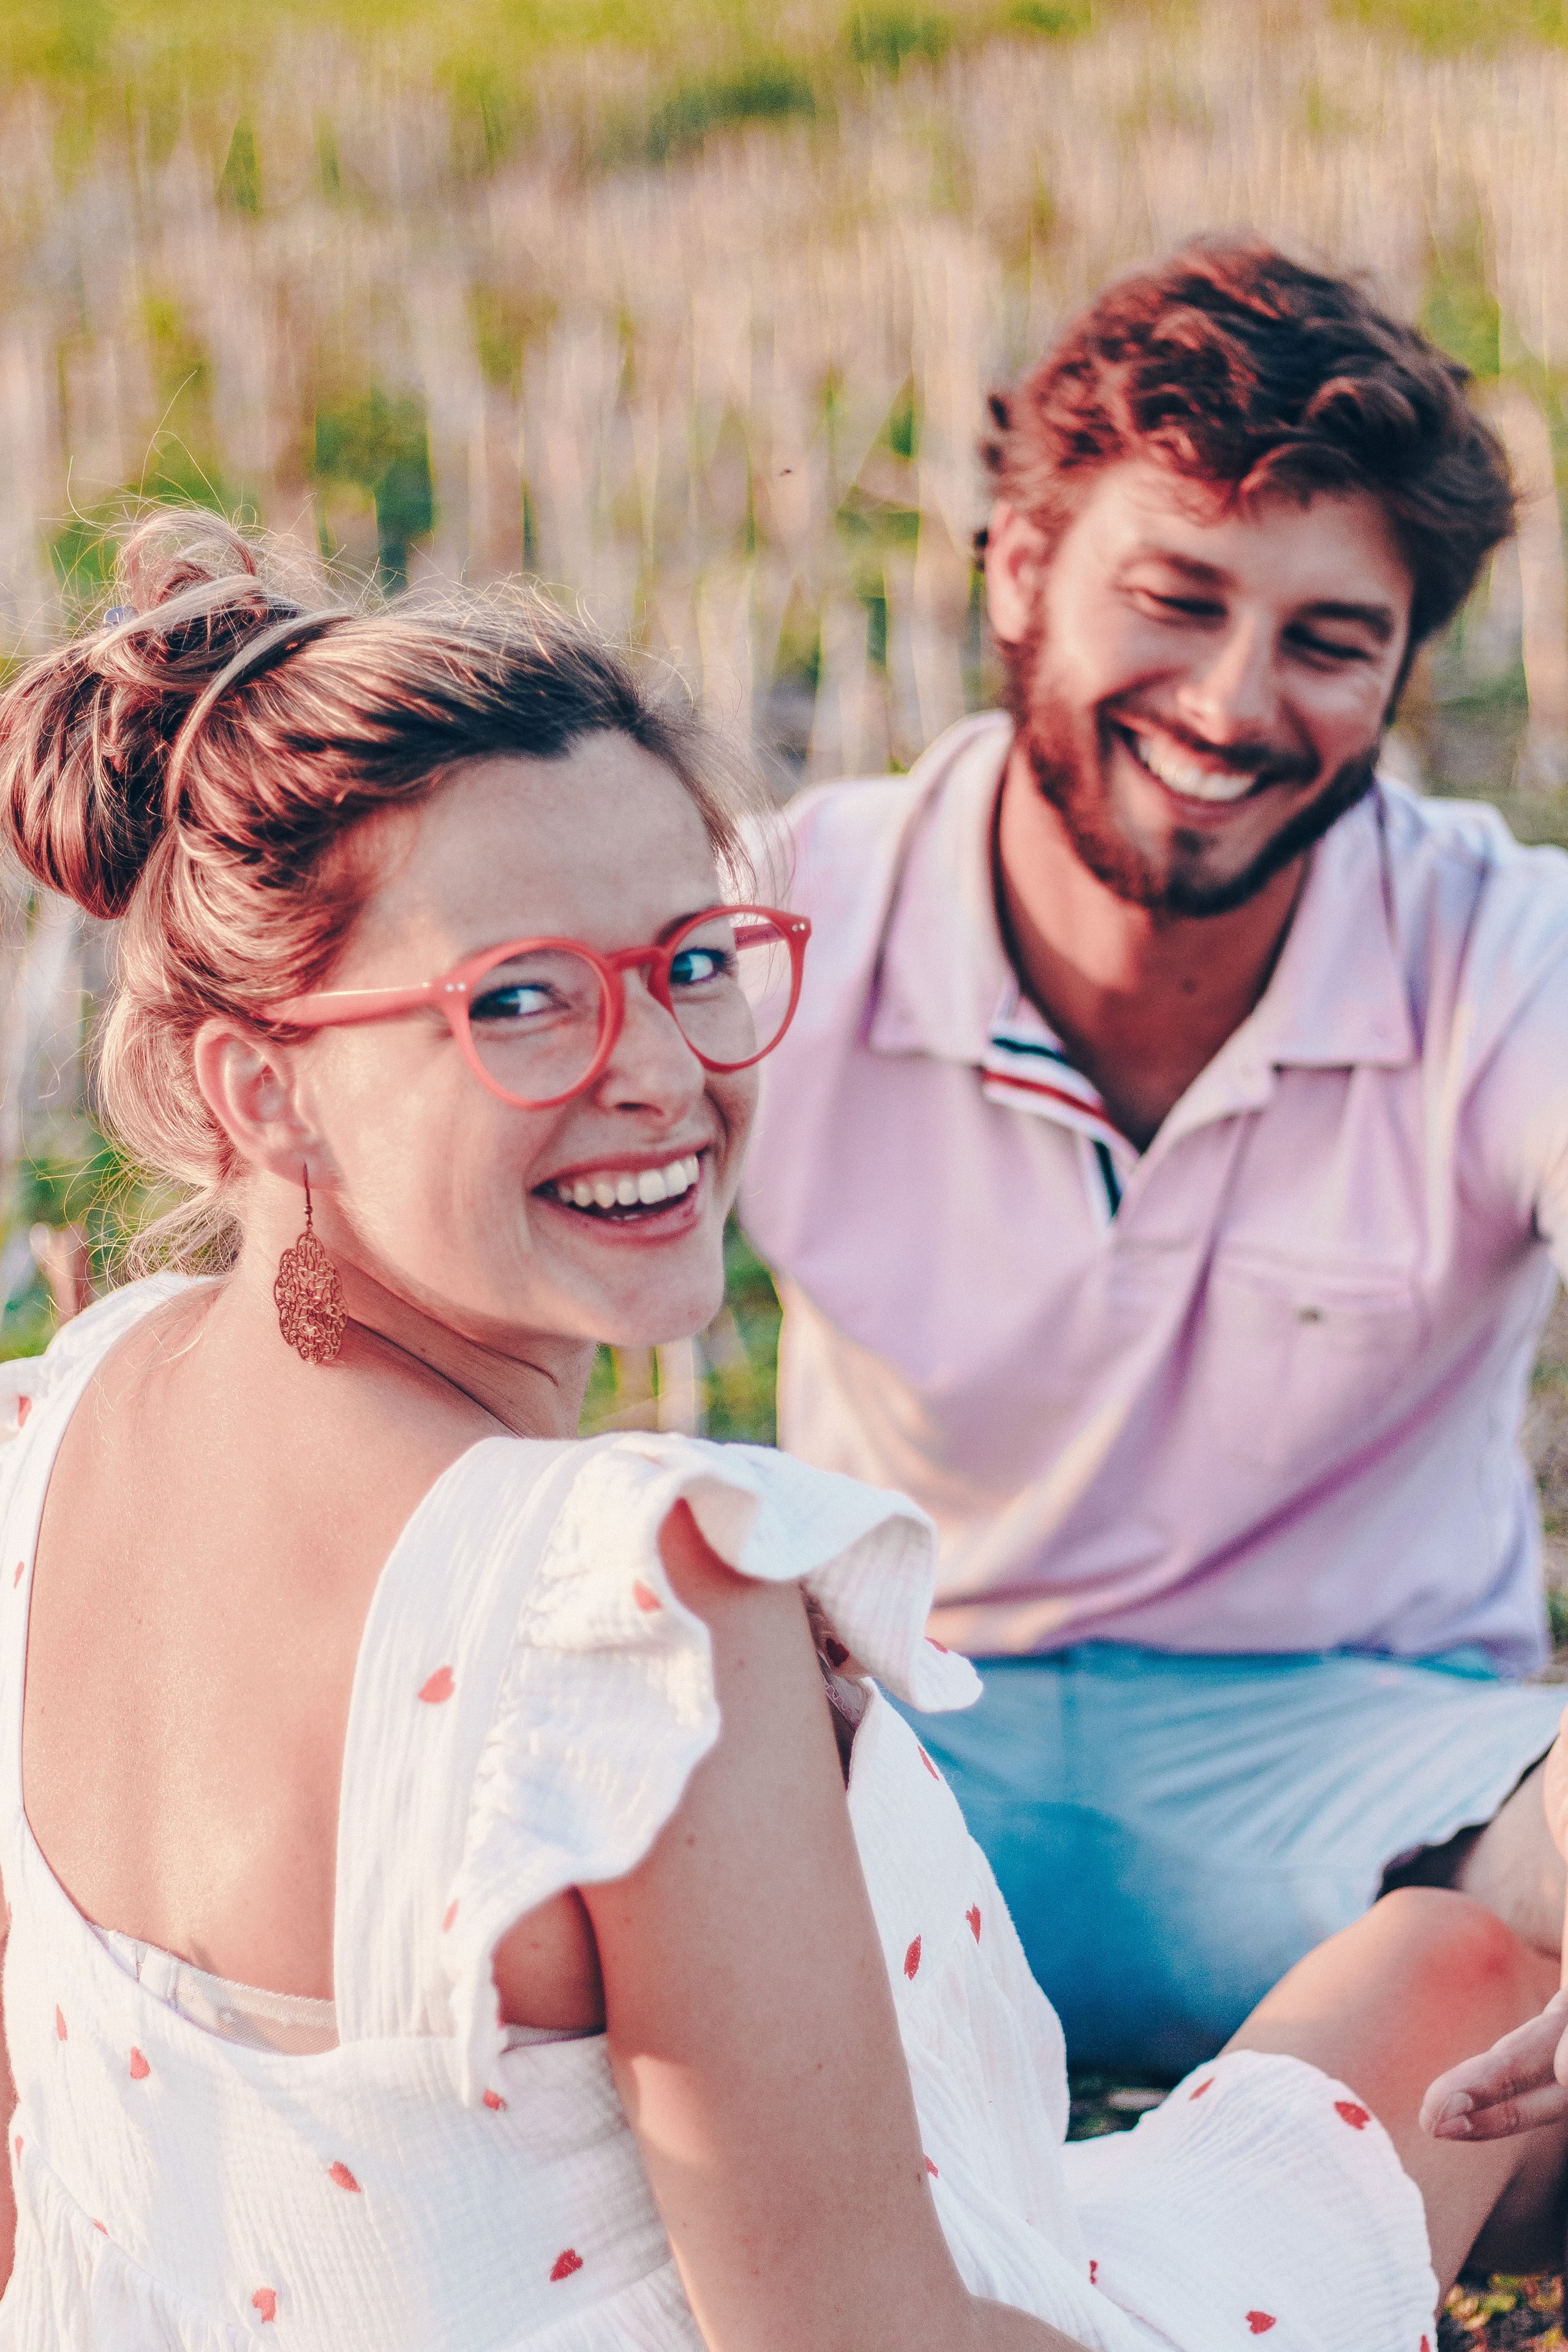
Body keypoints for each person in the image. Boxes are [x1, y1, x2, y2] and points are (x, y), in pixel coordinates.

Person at [0, 511, 1559, 2350]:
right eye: (518, 1001)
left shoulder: (58, 1421)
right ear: (256, 1084)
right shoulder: (636, 1602)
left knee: (1437, 1962)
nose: (658, 1070)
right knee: (1471, 1978)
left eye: (691, 962)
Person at [739, 238, 1568, 2077]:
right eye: (1174, 599)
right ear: (1021, 568)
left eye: (1328, 642)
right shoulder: (793, 914)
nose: (1230, 703)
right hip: (894, 1736)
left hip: (1375, 1784)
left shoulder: (1510, 957)